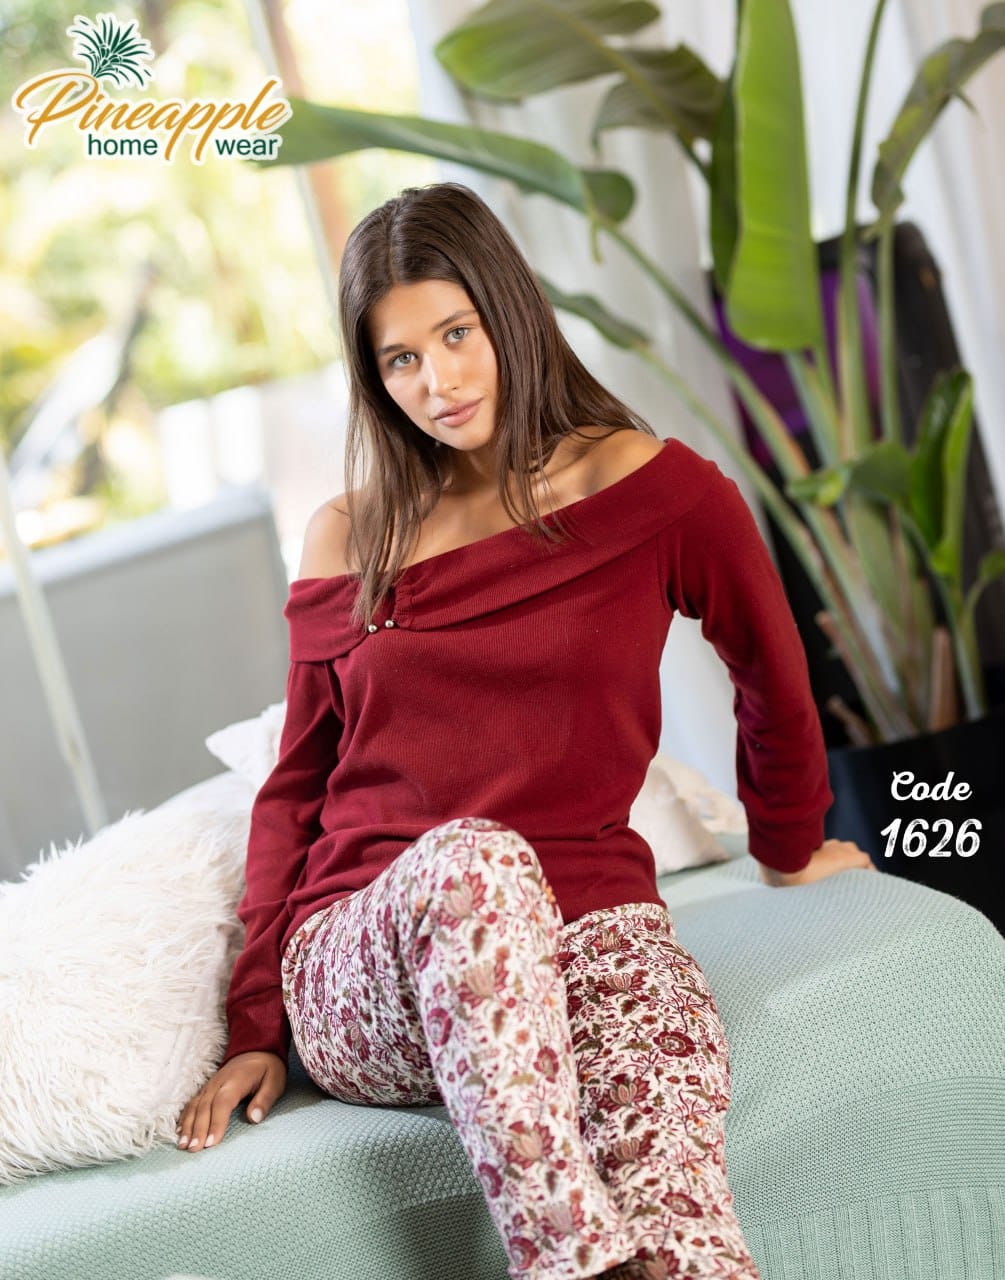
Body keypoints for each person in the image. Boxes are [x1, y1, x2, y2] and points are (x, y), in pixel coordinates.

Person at [176, 182, 874, 1279]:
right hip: (372, 962)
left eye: (457, 334)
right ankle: (564, 1260)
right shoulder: (350, 533)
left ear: (509, 311)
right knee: (478, 862)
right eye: (400, 359)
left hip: (588, 925)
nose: (437, 382)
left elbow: (771, 675)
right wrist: (256, 1022)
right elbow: (297, 786)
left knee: (671, 1155)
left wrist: (788, 845)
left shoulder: (658, 492)